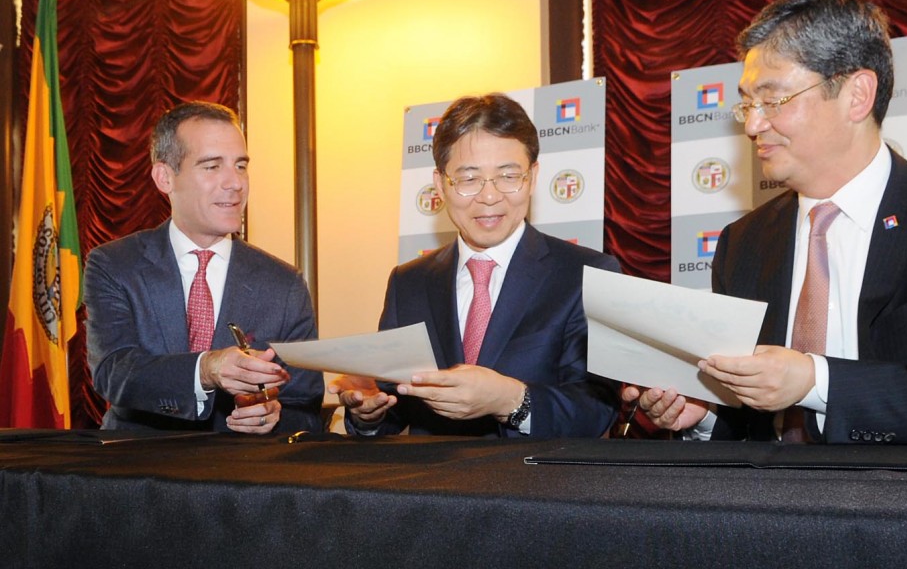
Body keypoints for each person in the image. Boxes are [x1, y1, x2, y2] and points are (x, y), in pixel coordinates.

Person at [624, 0, 907, 445]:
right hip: (766, 506)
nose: (753, 125)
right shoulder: (744, 241)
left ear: (857, 95)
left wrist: (815, 380)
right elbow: (752, 425)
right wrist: (704, 416)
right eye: (747, 104)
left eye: (773, 100)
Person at [330, 93, 620, 438]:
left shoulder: (586, 274)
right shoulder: (408, 283)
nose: (489, 196)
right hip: (431, 488)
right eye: (469, 179)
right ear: (440, 184)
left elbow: (597, 409)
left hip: (537, 487)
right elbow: (394, 405)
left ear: (533, 176)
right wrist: (369, 413)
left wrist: (512, 400)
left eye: (508, 175)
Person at [84, 101, 324, 434]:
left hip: (238, 477)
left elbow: (306, 409)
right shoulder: (115, 264)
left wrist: (274, 415)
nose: (235, 183)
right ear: (165, 177)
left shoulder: (284, 284)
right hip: (138, 470)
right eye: (212, 166)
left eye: (240, 166)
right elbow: (114, 372)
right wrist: (205, 369)